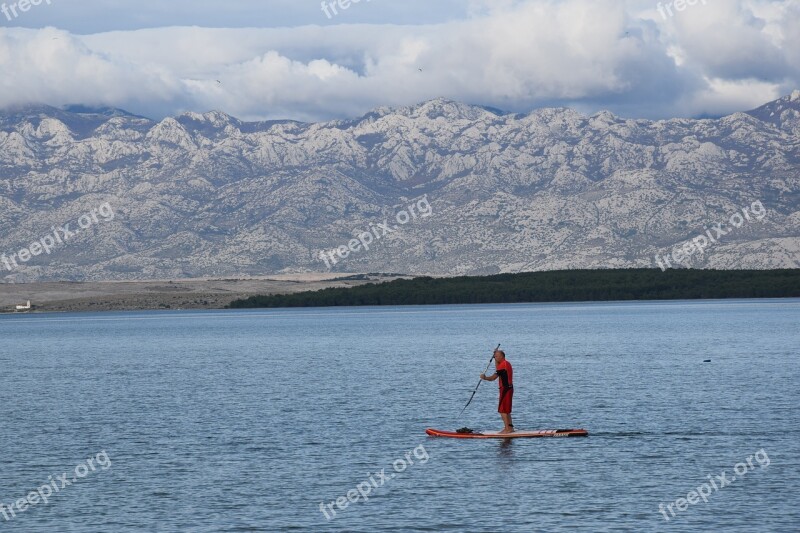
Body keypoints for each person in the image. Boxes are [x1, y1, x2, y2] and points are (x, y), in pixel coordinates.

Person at [480, 349, 514, 433]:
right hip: (509, 389)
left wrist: (484, 377)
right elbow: (497, 368)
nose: (495, 358)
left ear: (502, 356)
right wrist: (495, 355)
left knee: (502, 410)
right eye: (494, 357)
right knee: (507, 410)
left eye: (497, 356)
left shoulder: (503, 365)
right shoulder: (506, 363)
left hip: (505, 389)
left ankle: (507, 429)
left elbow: (493, 378)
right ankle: (510, 428)